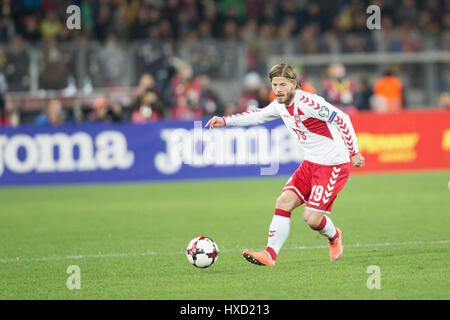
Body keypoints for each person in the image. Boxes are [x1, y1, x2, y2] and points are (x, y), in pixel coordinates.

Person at [205, 63, 365, 266]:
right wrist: (225, 121)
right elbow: (257, 115)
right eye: (274, 84)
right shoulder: (279, 105)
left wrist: (354, 152)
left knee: (311, 219)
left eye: (282, 84)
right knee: (283, 202)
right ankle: (270, 254)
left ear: (293, 84)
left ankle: (334, 236)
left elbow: (342, 119)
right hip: (311, 163)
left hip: (333, 164)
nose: (278, 89)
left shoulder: (309, 103)